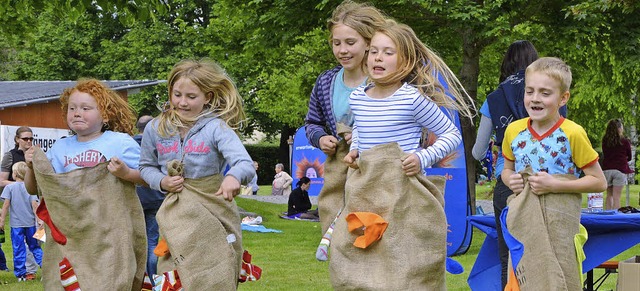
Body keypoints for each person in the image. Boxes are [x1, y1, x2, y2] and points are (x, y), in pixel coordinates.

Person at [334, 20, 474, 290]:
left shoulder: (411, 99)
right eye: (374, 51)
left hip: (402, 191)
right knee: (361, 252)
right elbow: (361, 129)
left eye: (388, 52)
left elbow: (451, 135)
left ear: (405, 61)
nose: (378, 57)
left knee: (400, 256)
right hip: (366, 189)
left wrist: (423, 157)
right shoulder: (358, 98)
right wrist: (354, 150)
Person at [139, 59, 255, 289]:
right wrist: (161, 181)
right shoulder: (155, 128)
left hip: (214, 211)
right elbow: (145, 167)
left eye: (191, 97)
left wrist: (233, 177)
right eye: (177, 94)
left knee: (216, 273)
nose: (182, 102)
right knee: (174, 273)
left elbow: (244, 163)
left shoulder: (216, 128)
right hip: (175, 216)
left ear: (207, 97)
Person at [23, 78, 147, 290]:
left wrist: (125, 173)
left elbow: (147, 178)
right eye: (72, 108)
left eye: (86, 108)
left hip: (108, 231)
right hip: (71, 232)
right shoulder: (59, 148)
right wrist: (31, 167)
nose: (77, 113)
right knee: (70, 281)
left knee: (109, 279)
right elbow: (34, 189)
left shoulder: (119, 142)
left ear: (105, 114)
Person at [501, 57, 606, 290]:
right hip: (524, 220)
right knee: (526, 276)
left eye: (545, 93)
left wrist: (555, 185)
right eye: (530, 91)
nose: (535, 98)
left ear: (563, 98)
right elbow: (506, 170)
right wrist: (512, 180)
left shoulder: (573, 133)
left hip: (560, 221)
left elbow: (599, 182)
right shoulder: (513, 131)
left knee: (561, 275)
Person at [471, 40, 566, 289]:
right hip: (549, 179)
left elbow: (477, 150)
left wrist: (496, 149)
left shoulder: (493, 99)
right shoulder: (553, 92)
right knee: (551, 253)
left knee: (510, 256)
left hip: (509, 180)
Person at [305, 0, 387, 235]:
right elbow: (312, 122)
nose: (342, 50)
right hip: (338, 171)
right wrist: (320, 138)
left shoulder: (383, 80)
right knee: (340, 233)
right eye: (336, 43)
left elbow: (404, 123)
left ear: (368, 42)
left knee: (375, 233)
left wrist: (364, 136)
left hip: (376, 171)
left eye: (350, 42)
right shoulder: (325, 82)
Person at [0, 126, 40, 275]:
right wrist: (21, 186)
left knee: (36, 239)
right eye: (25, 139)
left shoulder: (37, 155)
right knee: (21, 241)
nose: (29, 141)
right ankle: (28, 272)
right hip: (18, 199)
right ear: (17, 139)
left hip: (35, 198)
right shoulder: (10, 156)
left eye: (31, 138)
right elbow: (2, 181)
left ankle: (35, 269)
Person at [133, 115, 165, 278]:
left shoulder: (128, 145)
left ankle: (139, 279)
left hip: (135, 201)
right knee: (152, 241)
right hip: (156, 199)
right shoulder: (159, 146)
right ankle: (153, 280)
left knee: (136, 243)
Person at [0, 161, 43, 282]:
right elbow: (35, 206)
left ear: (15, 174)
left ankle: (21, 274)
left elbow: (6, 206)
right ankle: (45, 268)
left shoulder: (9, 188)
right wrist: (39, 220)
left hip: (16, 225)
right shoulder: (30, 189)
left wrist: (2, 221)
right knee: (35, 247)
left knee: (18, 248)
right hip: (30, 224)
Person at [601, 118, 633, 210]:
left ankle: (607, 216)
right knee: (617, 197)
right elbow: (629, 157)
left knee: (609, 195)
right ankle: (616, 217)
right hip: (619, 170)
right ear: (619, 128)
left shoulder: (605, 141)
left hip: (607, 170)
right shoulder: (624, 141)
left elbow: (605, 153)